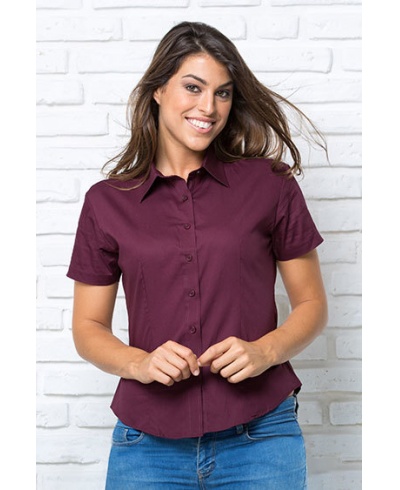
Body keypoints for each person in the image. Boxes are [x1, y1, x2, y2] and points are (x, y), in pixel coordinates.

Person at [67, 21, 328, 489]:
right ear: (157, 90)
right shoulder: (106, 203)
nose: (209, 107)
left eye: (222, 93)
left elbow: (312, 304)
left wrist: (265, 351)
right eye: (193, 87)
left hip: (262, 439)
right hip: (146, 445)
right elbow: (87, 327)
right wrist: (139, 363)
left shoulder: (270, 185)